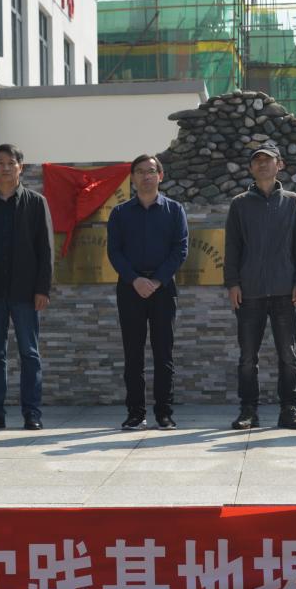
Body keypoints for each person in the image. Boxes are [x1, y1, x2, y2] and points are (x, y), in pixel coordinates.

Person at [224, 141, 296, 431]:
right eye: (257, 160)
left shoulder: (293, 202)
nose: (262, 164)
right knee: (248, 356)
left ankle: (289, 409)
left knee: (288, 355)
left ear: (280, 165)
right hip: (249, 292)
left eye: (268, 159)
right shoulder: (239, 204)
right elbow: (232, 248)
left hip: (285, 291)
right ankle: (248, 410)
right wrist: (232, 283)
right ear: (251, 167)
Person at [0, 144, 54, 431]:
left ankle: (32, 413)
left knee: (29, 353)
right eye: (0, 163)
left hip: (25, 293)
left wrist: (43, 289)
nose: (5, 168)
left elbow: (45, 250)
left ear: (20, 167)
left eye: (11, 162)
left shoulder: (35, 203)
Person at [107, 155, 188, 430]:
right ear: (132, 177)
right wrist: (135, 280)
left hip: (163, 289)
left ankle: (164, 413)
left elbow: (180, 249)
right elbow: (114, 252)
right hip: (130, 289)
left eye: (151, 171)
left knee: (164, 353)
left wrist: (156, 281)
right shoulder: (120, 213)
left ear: (160, 176)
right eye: (140, 172)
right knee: (133, 354)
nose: (146, 176)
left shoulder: (174, 210)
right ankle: (135, 413)